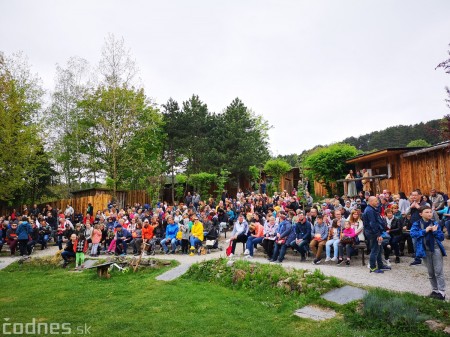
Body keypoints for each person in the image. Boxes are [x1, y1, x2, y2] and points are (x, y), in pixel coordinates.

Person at [410, 206, 446, 300]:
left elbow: (441, 237)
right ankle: (435, 290)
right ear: (421, 214)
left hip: (436, 249)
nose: (429, 214)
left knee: (438, 271)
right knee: (430, 272)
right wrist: (424, 231)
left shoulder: (435, 223)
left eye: (430, 212)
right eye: (427, 212)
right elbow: (413, 234)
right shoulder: (417, 224)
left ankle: (442, 292)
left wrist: (435, 232)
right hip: (424, 250)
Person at [363, 196, 390, 273]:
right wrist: (378, 235)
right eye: (375, 201)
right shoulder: (369, 211)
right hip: (373, 233)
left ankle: (380, 265)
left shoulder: (371, 209)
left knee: (379, 249)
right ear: (371, 202)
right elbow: (372, 224)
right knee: (375, 250)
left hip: (374, 232)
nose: (377, 202)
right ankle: (372, 267)